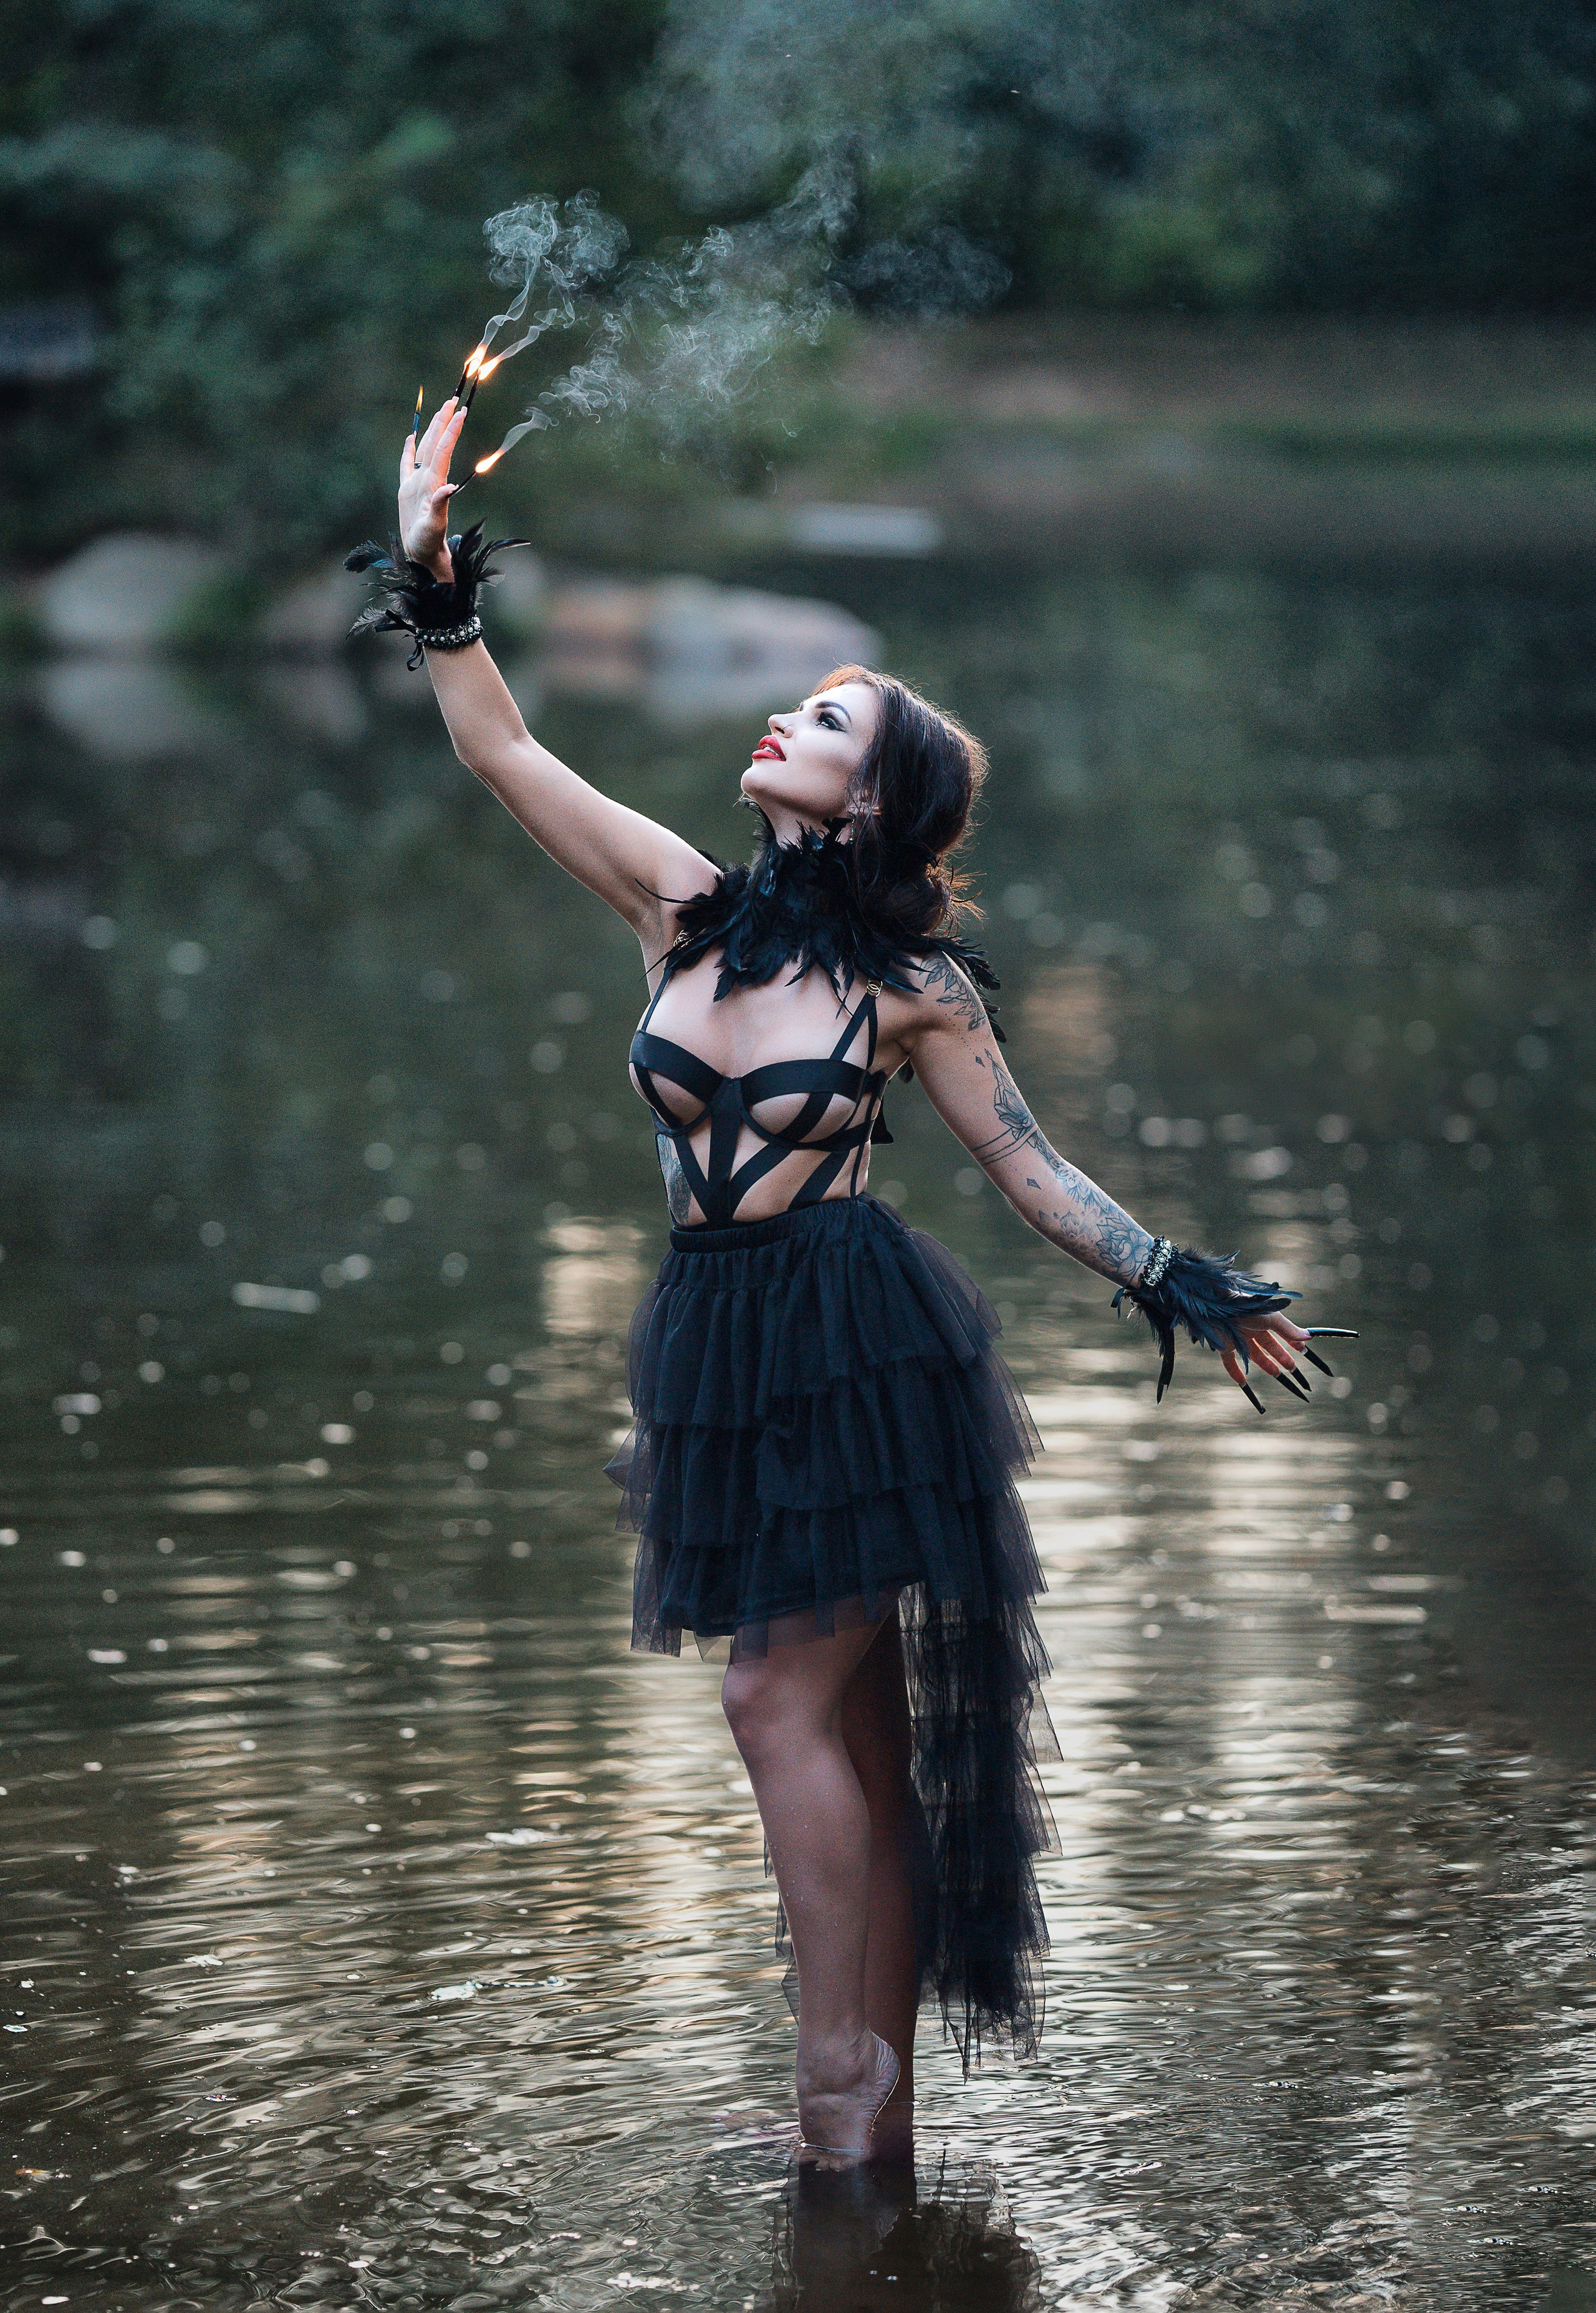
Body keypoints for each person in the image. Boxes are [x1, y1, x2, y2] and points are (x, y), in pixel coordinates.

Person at [349, 395, 1325, 2166]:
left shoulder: (917, 987)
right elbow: (502, 752)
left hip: (858, 1338)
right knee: (850, 1728)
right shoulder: (680, 907)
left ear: (873, 796)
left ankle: (833, 2083)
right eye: (794, 703)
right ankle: (866, 2123)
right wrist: (438, 587)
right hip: (712, 1335)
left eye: (820, 718)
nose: (777, 721)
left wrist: (1176, 1275)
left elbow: (1027, 1163)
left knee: (766, 1697)